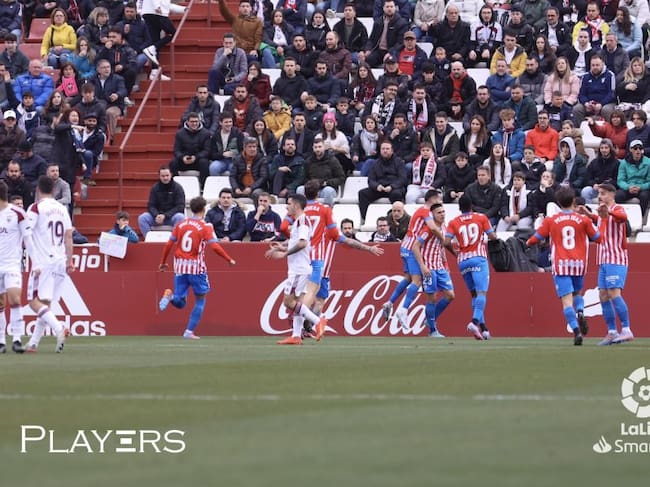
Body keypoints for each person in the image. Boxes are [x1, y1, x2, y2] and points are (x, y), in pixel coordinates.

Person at [526, 186, 603, 345]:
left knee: (567, 302)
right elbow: (598, 238)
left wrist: (528, 242)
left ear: (558, 202)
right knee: (577, 293)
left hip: (561, 265)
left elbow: (536, 238)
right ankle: (580, 311)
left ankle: (576, 331)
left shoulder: (551, 220)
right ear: (573, 201)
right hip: (579, 264)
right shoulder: (583, 220)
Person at [159, 196, 236, 340]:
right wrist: (228, 259)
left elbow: (169, 244)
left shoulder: (180, 224)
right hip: (196, 268)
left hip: (180, 267)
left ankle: (170, 296)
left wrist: (163, 262)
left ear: (191, 209)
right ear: (204, 209)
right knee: (200, 300)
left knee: (180, 302)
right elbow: (214, 246)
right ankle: (188, 332)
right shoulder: (205, 226)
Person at [265, 193, 328, 345]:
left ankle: (317, 321)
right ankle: (296, 335)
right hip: (300, 268)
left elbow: (302, 243)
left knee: (288, 302)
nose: (286, 206)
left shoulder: (302, 221)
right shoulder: (299, 221)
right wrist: (282, 246)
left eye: (289, 203)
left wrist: (284, 254)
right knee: (298, 303)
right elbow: (297, 241)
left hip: (299, 270)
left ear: (296, 205)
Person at [24, 175, 74, 353]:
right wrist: (70, 260)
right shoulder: (62, 208)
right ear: (53, 190)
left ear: (38, 189)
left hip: (43, 261)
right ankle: (33, 343)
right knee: (45, 303)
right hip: (60, 260)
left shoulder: (35, 208)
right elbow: (69, 236)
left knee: (33, 302)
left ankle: (59, 328)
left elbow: (27, 233)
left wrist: (34, 260)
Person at [578, 183, 633, 345]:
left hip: (615, 259)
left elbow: (622, 218)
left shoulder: (617, 209)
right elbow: (603, 222)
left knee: (614, 293)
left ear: (611, 194)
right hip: (602, 259)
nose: (600, 196)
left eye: (603, 193)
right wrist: (590, 215)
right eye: (599, 193)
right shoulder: (603, 213)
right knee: (603, 295)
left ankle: (626, 330)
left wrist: (607, 212)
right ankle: (612, 332)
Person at [382, 189, 445, 327]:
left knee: (408, 278)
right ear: (432, 199)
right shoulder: (425, 211)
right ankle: (403, 310)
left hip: (405, 246)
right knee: (417, 280)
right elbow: (433, 228)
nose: (440, 202)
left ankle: (389, 302)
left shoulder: (422, 211)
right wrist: (443, 239)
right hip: (412, 248)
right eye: (439, 199)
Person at [444, 194, 497, 340]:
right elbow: (492, 236)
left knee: (474, 294)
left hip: (463, 261)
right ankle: (474, 322)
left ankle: (484, 329)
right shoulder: (481, 218)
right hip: (478, 258)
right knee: (482, 293)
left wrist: (455, 253)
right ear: (471, 206)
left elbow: (446, 242)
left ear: (459, 208)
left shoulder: (454, 222)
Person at [412, 203, 456, 337]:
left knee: (450, 295)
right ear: (433, 215)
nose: (442, 214)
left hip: (440, 267)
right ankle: (432, 331)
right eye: (439, 212)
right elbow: (415, 246)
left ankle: (430, 320)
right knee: (432, 298)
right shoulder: (428, 229)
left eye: (443, 212)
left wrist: (446, 265)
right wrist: (422, 266)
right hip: (429, 267)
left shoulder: (444, 228)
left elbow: (441, 248)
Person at [0, 180, 27, 353]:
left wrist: (36, 261)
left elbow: (28, 237)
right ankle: (1, 341)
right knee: (0, 304)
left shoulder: (17, 213)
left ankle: (17, 339)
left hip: (12, 264)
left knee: (15, 299)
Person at [358, 140, 407, 220]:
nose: (385, 151)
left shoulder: (399, 162)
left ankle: (397, 219)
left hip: (394, 188)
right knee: (362, 193)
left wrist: (392, 186)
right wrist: (377, 186)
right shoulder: (375, 163)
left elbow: (403, 179)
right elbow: (371, 180)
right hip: (380, 188)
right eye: (383, 149)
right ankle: (366, 218)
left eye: (387, 149)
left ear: (392, 151)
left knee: (396, 194)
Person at [138, 165, 186, 237]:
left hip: (171, 217)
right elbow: (151, 205)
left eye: (167, 175)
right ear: (159, 176)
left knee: (180, 217)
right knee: (142, 218)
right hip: (157, 218)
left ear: (171, 175)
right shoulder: (155, 188)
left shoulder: (178, 188)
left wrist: (165, 216)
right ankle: (149, 239)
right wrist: (156, 215)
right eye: (163, 176)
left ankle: (174, 240)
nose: (165, 178)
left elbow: (180, 206)